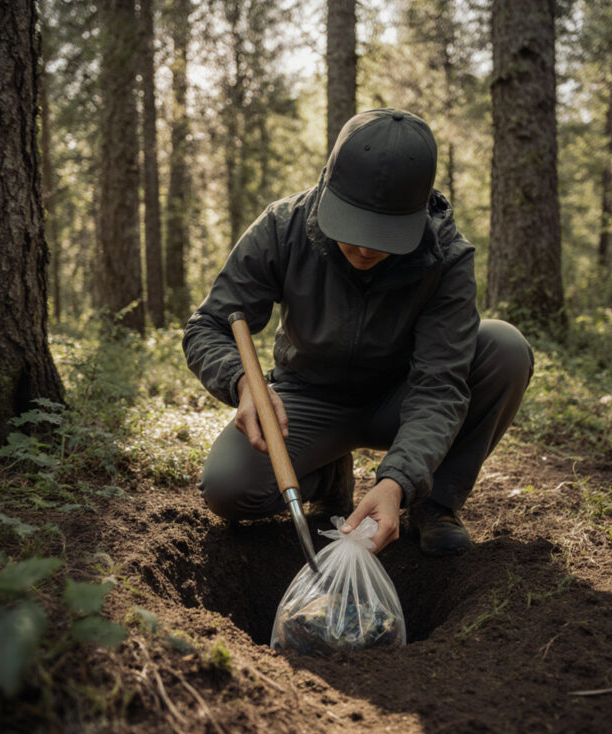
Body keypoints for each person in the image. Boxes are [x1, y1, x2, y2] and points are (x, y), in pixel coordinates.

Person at [183, 108, 533, 556]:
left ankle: (435, 503)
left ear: (417, 212)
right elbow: (209, 326)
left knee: (504, 348)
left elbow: (440, 384)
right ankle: (329, 476)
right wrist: (240, 379)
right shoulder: (283, 226)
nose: (366, 247)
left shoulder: (446, 257)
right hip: (306, 399)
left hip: (400, 397)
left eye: (385, 233)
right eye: (353, 226)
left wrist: (397, 482)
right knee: (228, 487)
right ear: (329, 188)